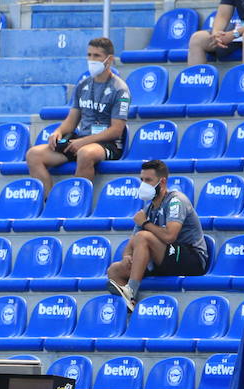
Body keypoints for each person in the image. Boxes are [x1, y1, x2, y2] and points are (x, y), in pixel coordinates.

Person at [25, 37, 129, 195]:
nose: (91, 60)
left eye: (97, 56)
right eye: (89, 55)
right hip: (80, 141)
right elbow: (72, 120)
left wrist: (82, 142)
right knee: (34, 155)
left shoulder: (120, 89)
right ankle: (52, 201)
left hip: (108, 145)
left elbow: (116, 131)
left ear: (109, 59)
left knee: (85, 153)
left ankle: (76, 200)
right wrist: (58, 132)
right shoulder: (83, 85)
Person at [106, 159, 210, 309]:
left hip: (190, 258)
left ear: (162, 182)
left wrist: (145, 224)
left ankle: (131, 290)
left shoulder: (176, 201)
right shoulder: (148, 209)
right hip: (165, 259)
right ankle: (129, 309)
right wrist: (128, 257)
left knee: (144, 237)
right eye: (142, 180)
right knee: (115, 270)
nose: (143, 185)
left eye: (148, 180)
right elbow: (131, 244)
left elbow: (170, 236)